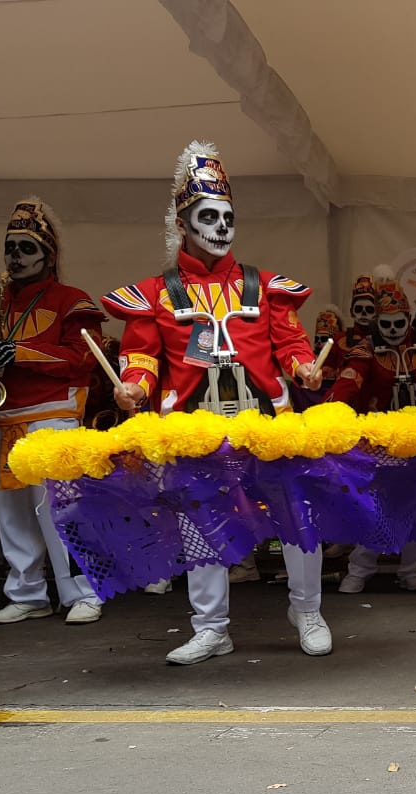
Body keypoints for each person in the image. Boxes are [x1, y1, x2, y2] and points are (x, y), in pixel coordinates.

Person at [104, 141, 332, 665]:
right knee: (202, 523)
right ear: (183, 225)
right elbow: (140, 354)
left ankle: (308, 609)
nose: (223, 227)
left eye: (229, 217)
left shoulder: (266, 286)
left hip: (268, 422)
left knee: (298, 516)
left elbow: (293, 344)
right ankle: (211, 628)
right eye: (210, 216)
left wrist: (303, 367)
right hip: (194, 427)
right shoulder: (155, 294)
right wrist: (134, 385)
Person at [0, 198, 105, 625]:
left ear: (48, 255)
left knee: (60, 511)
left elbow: (83, 358)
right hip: (3, 416)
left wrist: (18, 352)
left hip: (53, 415)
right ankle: (27, 593)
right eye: (10, 248)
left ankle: (84, 592)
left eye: (26, 248)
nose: (15, 257)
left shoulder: (73, 301)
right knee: (12, 512)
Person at [329, 267, 416, 593]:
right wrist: (333, 410)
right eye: (385, 325)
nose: (392, 330)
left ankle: (412, 570)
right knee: (379, 505)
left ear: (409, 319)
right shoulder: (365, 349)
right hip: (383, 439)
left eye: (398, 324)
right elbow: (351, 380)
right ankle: (360, 570)